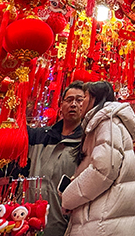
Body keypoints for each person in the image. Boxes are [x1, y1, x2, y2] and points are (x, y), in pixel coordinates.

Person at [61, 81, 135, 236]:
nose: (79, 104)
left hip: (104, 223)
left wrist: (69, 196)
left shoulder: (108, 124)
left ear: (94, 99)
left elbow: (103, 170)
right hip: (104, 219)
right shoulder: (101, 124)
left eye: (83, 98)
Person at [27, 81, 85, 236]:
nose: (73, 104)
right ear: (61, 105)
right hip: (26, 222)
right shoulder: (40, 136)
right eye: (69, 100)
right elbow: (9, 129)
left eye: (79, 100)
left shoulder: (86, 143)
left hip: (61, 226)